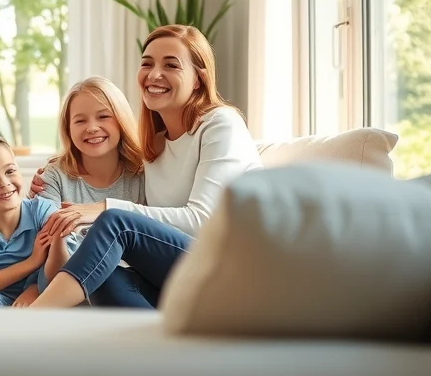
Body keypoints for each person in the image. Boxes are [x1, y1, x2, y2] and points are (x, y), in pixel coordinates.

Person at [28, 25, 262, 309]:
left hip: (229, 273)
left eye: (171, 65)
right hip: (179, 275)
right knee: (103, 274)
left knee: (115, 223)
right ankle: (159, 351)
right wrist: (48, 175)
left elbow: (203, 221)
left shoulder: (220, 124)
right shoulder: (152, 149)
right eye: (147, 64)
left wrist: (103, 207)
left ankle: (28, 323)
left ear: (199, 79)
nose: (154, 74)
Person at [34, 76, 151, 306]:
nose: (92, 128)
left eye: (103, 116)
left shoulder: (143, 174)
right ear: (68, 129)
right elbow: (51, 273)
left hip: (129, 283)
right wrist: (59, 235)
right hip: (63, 283)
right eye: (80, 121)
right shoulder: (54, 177)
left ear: (120, 120)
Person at [0, 136, 79, 307]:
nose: (4, 183)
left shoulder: (42, 210)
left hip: (45, 292)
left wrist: (35, 289)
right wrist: (32, 262)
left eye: (9, 171)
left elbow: (65, 266)